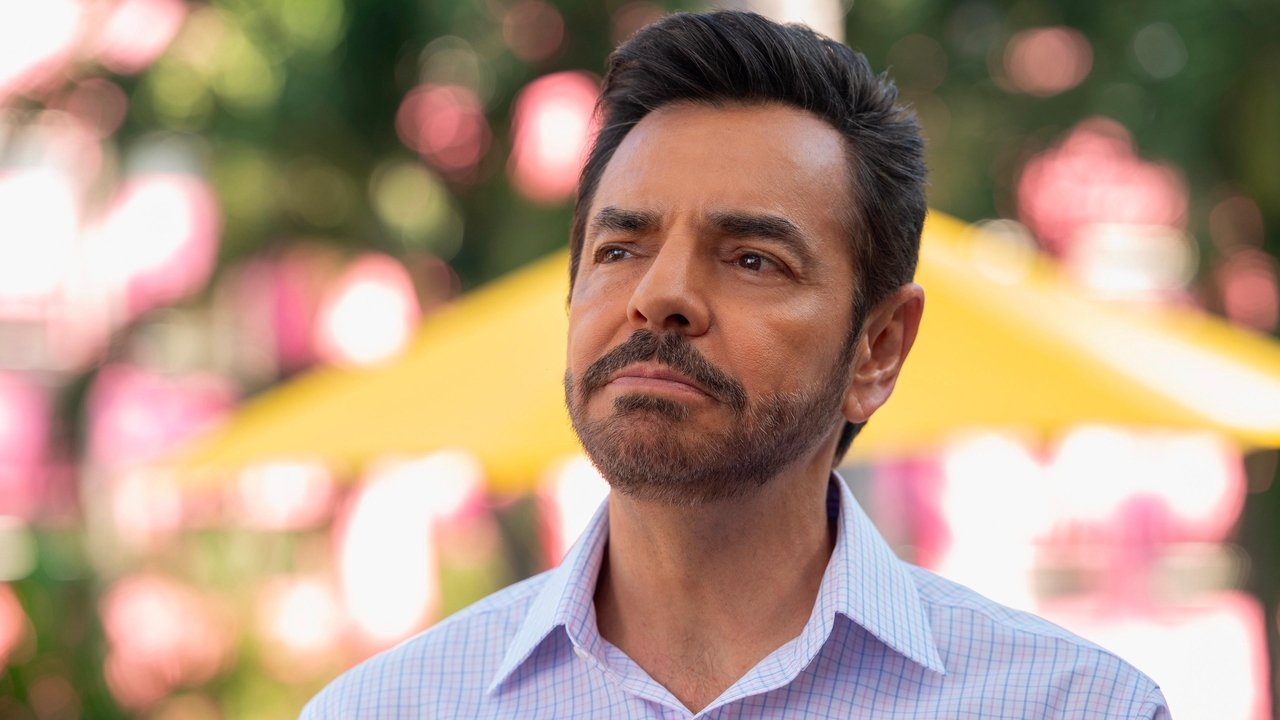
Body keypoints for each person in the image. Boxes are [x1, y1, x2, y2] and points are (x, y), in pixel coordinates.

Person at [302, 10, 1170, 718]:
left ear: (878, 349)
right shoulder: (387, 710)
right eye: (619, 249)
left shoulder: (1072, 706)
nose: (660, 296)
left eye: (753, 258)